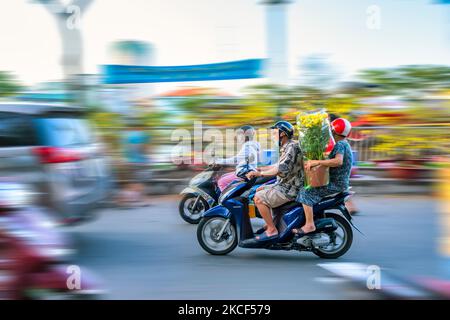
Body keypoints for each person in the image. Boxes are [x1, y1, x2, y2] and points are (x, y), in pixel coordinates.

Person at [293, 118, 353, 235]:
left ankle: (309, 224)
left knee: (305, 192)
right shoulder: (345, 144)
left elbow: (338, 161)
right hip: (339, 182)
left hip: (335, 184)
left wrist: (317, 162)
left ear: (333, 131)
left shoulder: (340, 144)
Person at [246, 121, 303, 241]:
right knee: (259, 189)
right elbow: (278, 165)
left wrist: (259, 173)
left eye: (274, 133)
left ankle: (272, 229)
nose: (272, 136)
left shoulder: (292, 147)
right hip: (284, 185)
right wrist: (260, 168)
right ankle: (272, 222)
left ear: (282, 134)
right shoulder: (287, 147)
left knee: (259, 198)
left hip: (289, 188)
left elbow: (279, 169)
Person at [116, 119, 152, 207]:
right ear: (140, 127)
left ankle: (129, 199)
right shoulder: (143, 135)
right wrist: (146, 157)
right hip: (140, 161)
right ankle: (139, 199)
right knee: (140, 181)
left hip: (130, 161)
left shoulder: (127, 135)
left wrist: (125, 160)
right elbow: (144, 148)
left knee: (133, 181)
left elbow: (125, 149)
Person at [216, 125, 260, 191]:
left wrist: (219, 161)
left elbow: (236, 159)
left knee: (222, 182)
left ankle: (224, 200)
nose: (238, 137)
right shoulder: (252, 145)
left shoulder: (248, 147)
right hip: (245, 171)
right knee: (223, 176)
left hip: (245, 173)